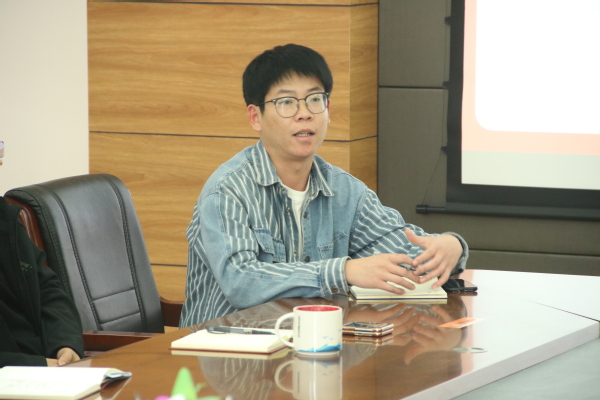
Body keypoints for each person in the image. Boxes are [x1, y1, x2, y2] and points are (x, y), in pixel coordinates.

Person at [180, 44, 468, 327]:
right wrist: (342, 271)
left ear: (328, 110)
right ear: (256, 117)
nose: (304, 113)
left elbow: (405, 257)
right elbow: (240, 282)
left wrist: (450, 247)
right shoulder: (227, 190)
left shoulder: (344, 191)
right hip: (223, 350)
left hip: (310, 346)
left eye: (315, 99)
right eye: (287, 102)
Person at [0, 197, 84, 367]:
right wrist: (36, 364)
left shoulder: (5, 220)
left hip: (44, 369)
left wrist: (65, 344)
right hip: (19, 371)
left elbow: (47, 290)